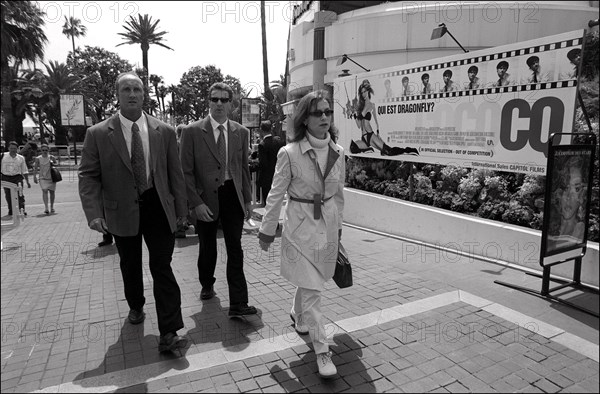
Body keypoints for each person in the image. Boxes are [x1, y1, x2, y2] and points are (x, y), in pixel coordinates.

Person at [78, 72, 188, 352]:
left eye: (137, 89)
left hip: (158, 206)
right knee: (130, 265)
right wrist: (94, 213)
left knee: (162, 266)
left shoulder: (163, 130)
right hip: (120, 210)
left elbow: (175, 173)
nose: (132, 94)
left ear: (144, 94)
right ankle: (136, 305)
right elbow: (89, 175)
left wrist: (181, 210)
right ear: (118, 94)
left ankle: (169, 331)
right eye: (126, 89)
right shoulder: (99, 133)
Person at [258, 90, 345, 378]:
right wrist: (267, 229)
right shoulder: (289, 153)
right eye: (317, 112)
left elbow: (339, 195)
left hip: (327, 225)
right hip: (299, 226)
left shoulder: (339, 152)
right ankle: (322, 351)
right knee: (313, 290)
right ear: (304, 119)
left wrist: (339, 228)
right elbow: (276, 193)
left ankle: (297, 314)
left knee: (314, 280)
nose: (323, 117)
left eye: (327, 112)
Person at [179, 82, 257, 317]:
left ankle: (238, 303)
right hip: (206, 199)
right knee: (208, 247)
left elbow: (243, 168)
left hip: (232, 195)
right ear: (209, 102)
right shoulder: (193, 131)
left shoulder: (241, 132)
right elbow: (185, 172)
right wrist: (196, 203)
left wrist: (247, 199)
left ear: (231, 104)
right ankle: (207, 282)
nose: (219, 104)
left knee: (235, 248)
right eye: (215, 99)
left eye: (224, 100)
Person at [352, 80, 418, 156]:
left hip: (370, 135)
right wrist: (354, 114)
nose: (363, 94)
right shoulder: (361, 106)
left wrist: (378, 133)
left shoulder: (372, 105)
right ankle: (368, 149)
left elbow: (376, 121)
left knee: (388, 151)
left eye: (364, 91)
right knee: (353, 148)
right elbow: (359, 125)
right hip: (364, 137)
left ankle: (408, 150)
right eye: (362, 92)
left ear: (368, 91)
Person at [556, 156, 586, 240]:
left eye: (577, 189)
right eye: (566, 188)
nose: (569, 196)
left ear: (582, 196)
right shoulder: (551, 225)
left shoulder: (579, 230)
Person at [257, 120, 284, 206]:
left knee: (268, 203)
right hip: (278, 177)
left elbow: (263, 164)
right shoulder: (278, 141)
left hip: (266, 179)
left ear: (261, 130)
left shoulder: (262, 145)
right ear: (271, 129)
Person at [1, 141, 30, 216]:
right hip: (6, 177)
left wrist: (27, 181)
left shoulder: (21, 158)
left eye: (14, 148)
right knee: (8, 195)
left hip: (17, 177)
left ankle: (22, 209)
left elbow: (24, 170)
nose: (13, 150)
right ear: (8, 148)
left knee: (20, 194)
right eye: (11, 148)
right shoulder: (3, 156)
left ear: (17, 149)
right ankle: (11, 210)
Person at [32, 144, 57, 215]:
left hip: (51, 177)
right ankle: (46, 207)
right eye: (43, 150)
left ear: (48, 150)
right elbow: (36, 168)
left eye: (46, 150)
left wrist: (53, 161)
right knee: (44, 190)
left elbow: (56, 165)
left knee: (52, 192)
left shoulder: (51, 157)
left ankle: (52, 207)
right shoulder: (38, 158)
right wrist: (34, 176)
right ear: (41, 150)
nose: (45, 151)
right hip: (42, 177)